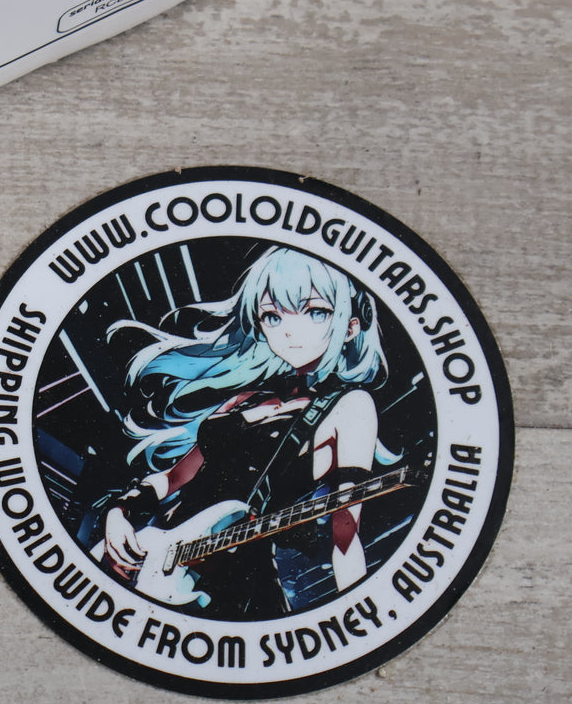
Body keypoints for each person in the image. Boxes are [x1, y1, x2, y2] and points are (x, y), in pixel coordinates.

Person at [100, 246, 392, 618]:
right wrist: (119, 511)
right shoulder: (246, 399)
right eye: (273, 316)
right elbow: (175, 478)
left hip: (237, 589)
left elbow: (345, 533)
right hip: (156, 559)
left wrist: (357, 620)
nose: (290, 330)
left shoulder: (350, 406)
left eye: (315, 312)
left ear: (350, 327)